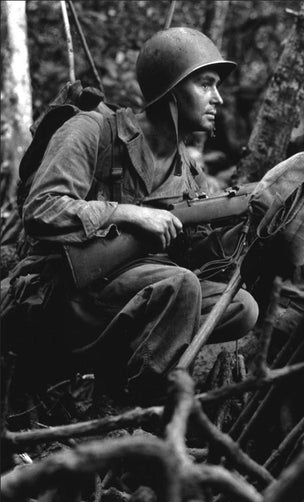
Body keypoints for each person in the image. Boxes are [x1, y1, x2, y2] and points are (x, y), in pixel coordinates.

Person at [12, 27, 258, 402]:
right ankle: (131, 405)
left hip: (137, 296)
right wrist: (130, 213)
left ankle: (117, 375)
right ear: (174, 90)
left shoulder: (189, 174)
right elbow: (42, 209)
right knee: (180, 287)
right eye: (206, 85)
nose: (218, 99)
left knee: (241, 306)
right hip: (63, 290)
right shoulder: (93, 129)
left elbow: (197, 257)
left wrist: (247, 223)